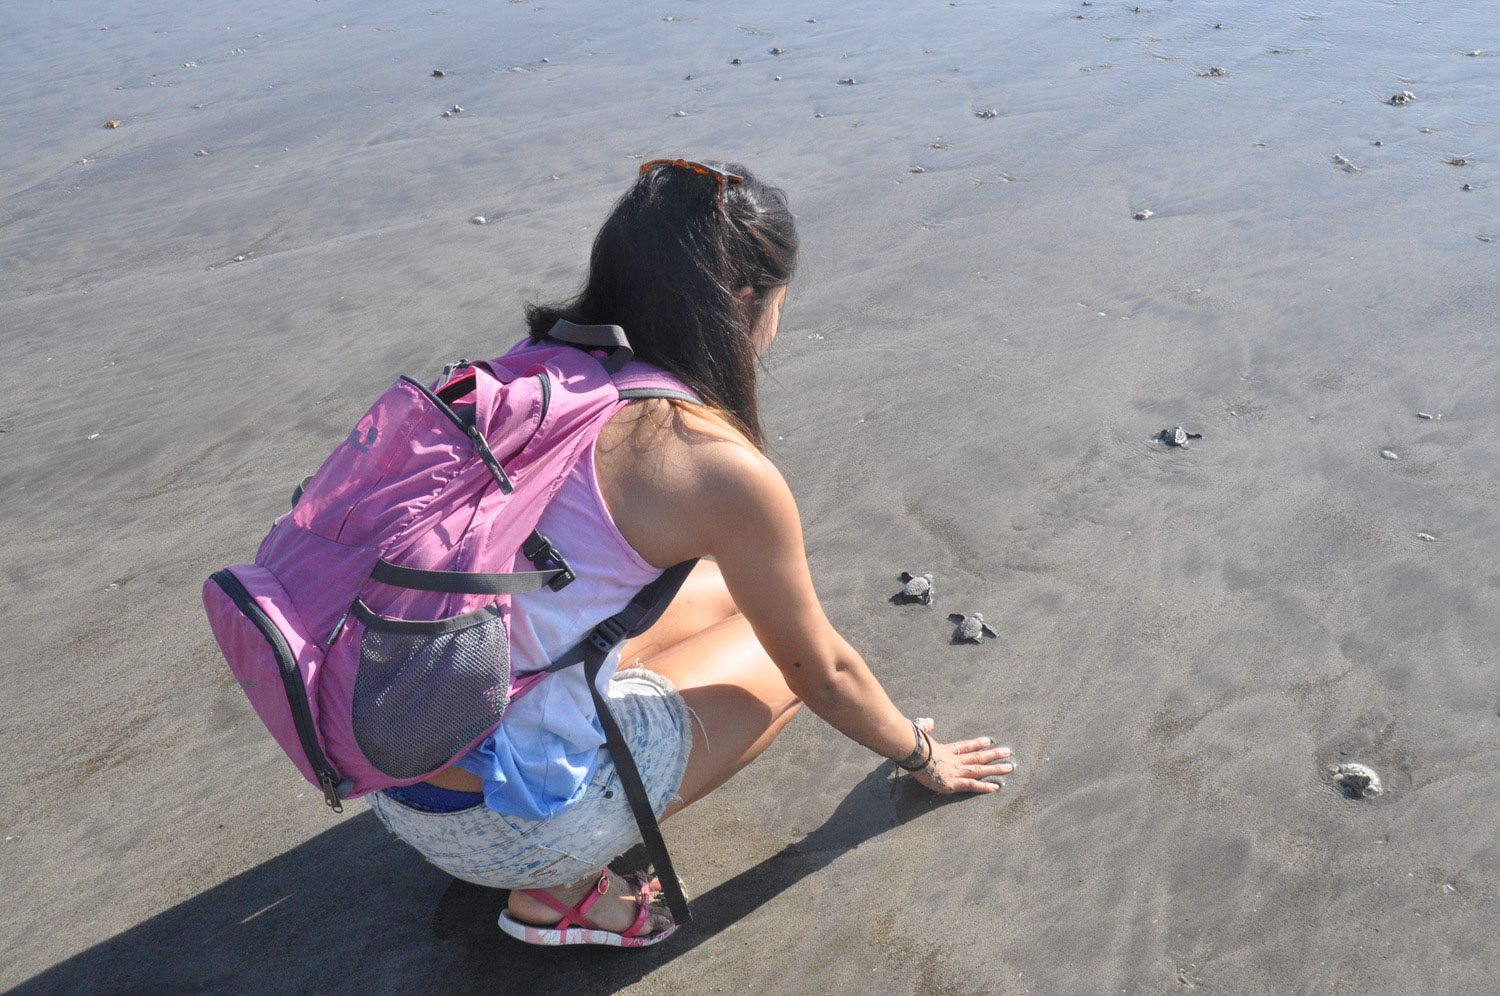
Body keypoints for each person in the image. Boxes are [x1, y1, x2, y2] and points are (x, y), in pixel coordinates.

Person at [366, 159, 1014, 947]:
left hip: (391, 759)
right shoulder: (707, 462)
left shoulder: (528, 371)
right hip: (498, 833)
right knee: (785, 661)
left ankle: (555, 759)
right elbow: (825, 674)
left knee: (718, 587)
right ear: (744, 300)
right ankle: (562, 888)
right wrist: (921, 756)